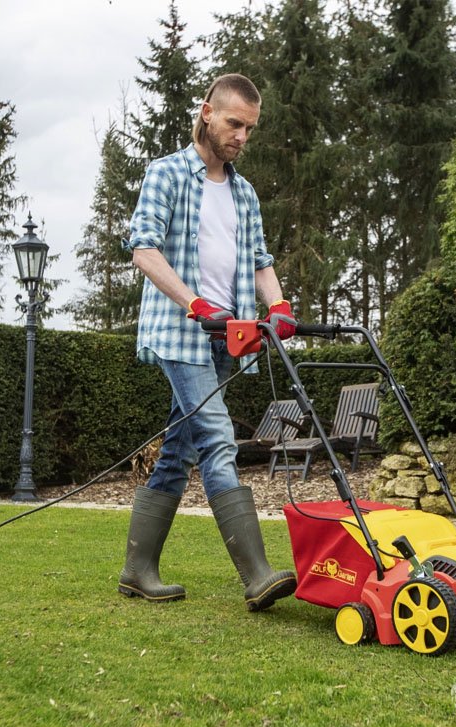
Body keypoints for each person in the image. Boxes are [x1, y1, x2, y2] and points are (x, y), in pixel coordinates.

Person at [118, 73, 298, 612]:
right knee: (217, 438)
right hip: (181, 331)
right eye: (234, 123)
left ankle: (137, 570)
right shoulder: (168, 174)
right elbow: (143, 249)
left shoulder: (244, 193)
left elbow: (261, 261)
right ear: (207, 112)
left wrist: (279, 307)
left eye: (250, 128)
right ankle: (258, 574)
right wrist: (194, 304)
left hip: (229, 338)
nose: (241, 135)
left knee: (176, 452)